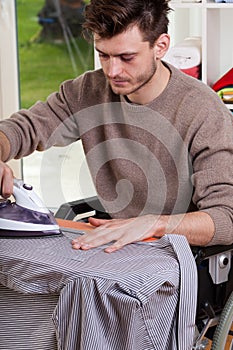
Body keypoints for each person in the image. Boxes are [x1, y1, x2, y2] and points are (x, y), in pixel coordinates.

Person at [0, 0, 233, 254]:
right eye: (104, 55)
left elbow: (226, 218)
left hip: (181, 255)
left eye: (127, 57)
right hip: (116, 246)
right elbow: (24, 128)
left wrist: (154, 225)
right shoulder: (87, 91)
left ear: (161, 46)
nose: (112, 71)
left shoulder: (204, 111)